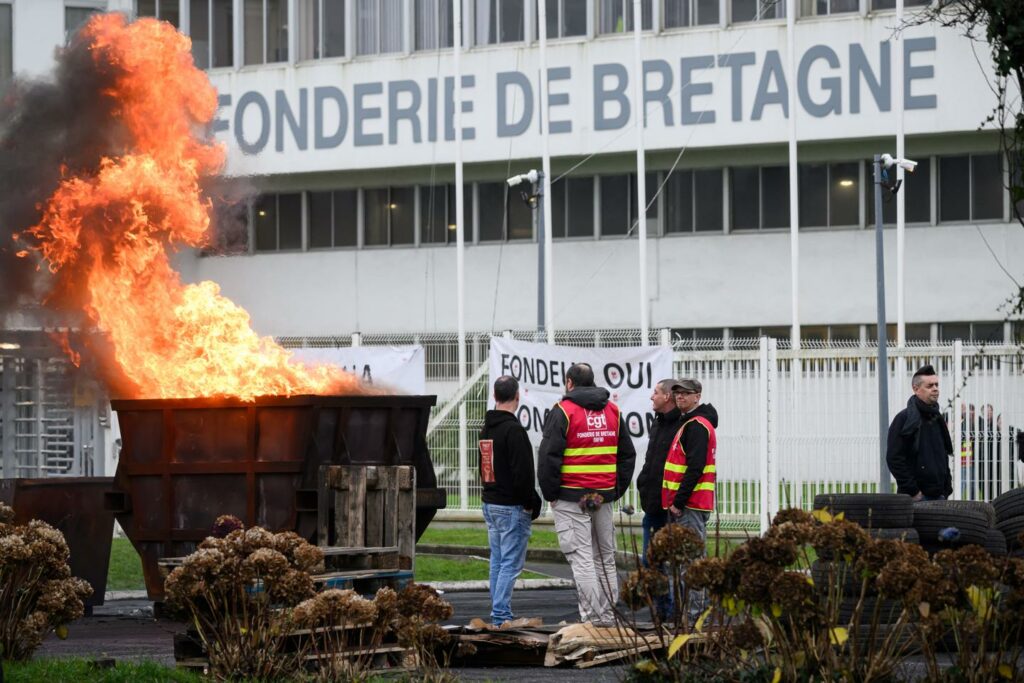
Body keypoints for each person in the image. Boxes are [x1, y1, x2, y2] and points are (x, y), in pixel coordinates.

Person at [538, 363, 636, 626]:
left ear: (569, 382)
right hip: (602, 498)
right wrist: (615, 490)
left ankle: (592, 617)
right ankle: (607, 616)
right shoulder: (613, 411)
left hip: (571, 498)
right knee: (604, 556)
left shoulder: (563, 411)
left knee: (581, 557)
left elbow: (548, 456)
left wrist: (551, 493)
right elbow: (627, 454)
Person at [479, 375, 542, 627]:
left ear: (495, 396)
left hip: (490, 502)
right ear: (517, 397)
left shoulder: (487, 428)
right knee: (510, 564)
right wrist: (531, 501)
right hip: (511, 506)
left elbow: (485, 467)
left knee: (497, 560)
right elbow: (523, 472)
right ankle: (501, 615)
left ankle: (498, 612)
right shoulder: (513, 430)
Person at [661, 378, 718, 622]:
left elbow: (695, 467)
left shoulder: (696, 425)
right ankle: (693, 616)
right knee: (688, 562)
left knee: (693, 564)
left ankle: (696, 619)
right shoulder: (690, 423)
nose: (680, 397)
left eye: (686, 393)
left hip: (689, 506)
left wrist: (678, 502)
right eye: (678, 394)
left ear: (697, 396)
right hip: (688, 505)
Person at [886, 364, 953, 501]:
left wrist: (946, 488)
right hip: (917, 497)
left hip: (939, 495)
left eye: (936, 385)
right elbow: (894, 458)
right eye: (929, 386)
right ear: (916, 389)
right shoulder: (904, 419)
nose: (935, 389)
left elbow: (943, 455)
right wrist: (914, 491)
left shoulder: (937, 418)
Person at [636, 379, 684, 563]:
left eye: (655, 392)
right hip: (652, 502)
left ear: (667, 396)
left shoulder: (682, 424)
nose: (651, 397)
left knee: (673, 564)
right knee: (650, 562)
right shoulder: (658, 423)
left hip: (671, 507)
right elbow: (652, 460)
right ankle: (660, 594)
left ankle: (672, 594)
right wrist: (643, 483)